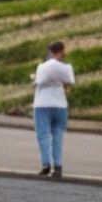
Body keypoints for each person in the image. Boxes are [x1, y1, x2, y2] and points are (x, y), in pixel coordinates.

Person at [33, 40, 75, 179]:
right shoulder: (66, 68)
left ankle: (46, 165)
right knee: (58, 136)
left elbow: (38, 82)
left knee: (43, 135)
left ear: (50, 51)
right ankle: (58, 167)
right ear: (62, 51)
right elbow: (69, 82)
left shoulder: (42, 67)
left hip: (43, 104)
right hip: (60, 105)